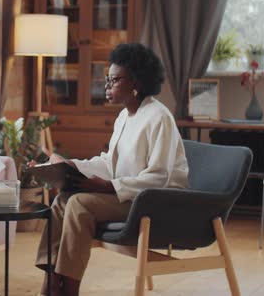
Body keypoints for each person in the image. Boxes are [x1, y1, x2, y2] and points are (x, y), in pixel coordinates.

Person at [34, 43, 189, 296]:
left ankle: (69, 290)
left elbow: (160, 178)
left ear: (136, 82)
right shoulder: (125, 116)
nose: (107, 86)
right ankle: (51, 283)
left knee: (79, 204)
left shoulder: (159, 118)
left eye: (114, 80)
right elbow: (109, 163)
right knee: (62, 199)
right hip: (126, 196)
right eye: (107, 79)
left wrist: (108, 186)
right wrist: (71, 166)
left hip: (154, 203)